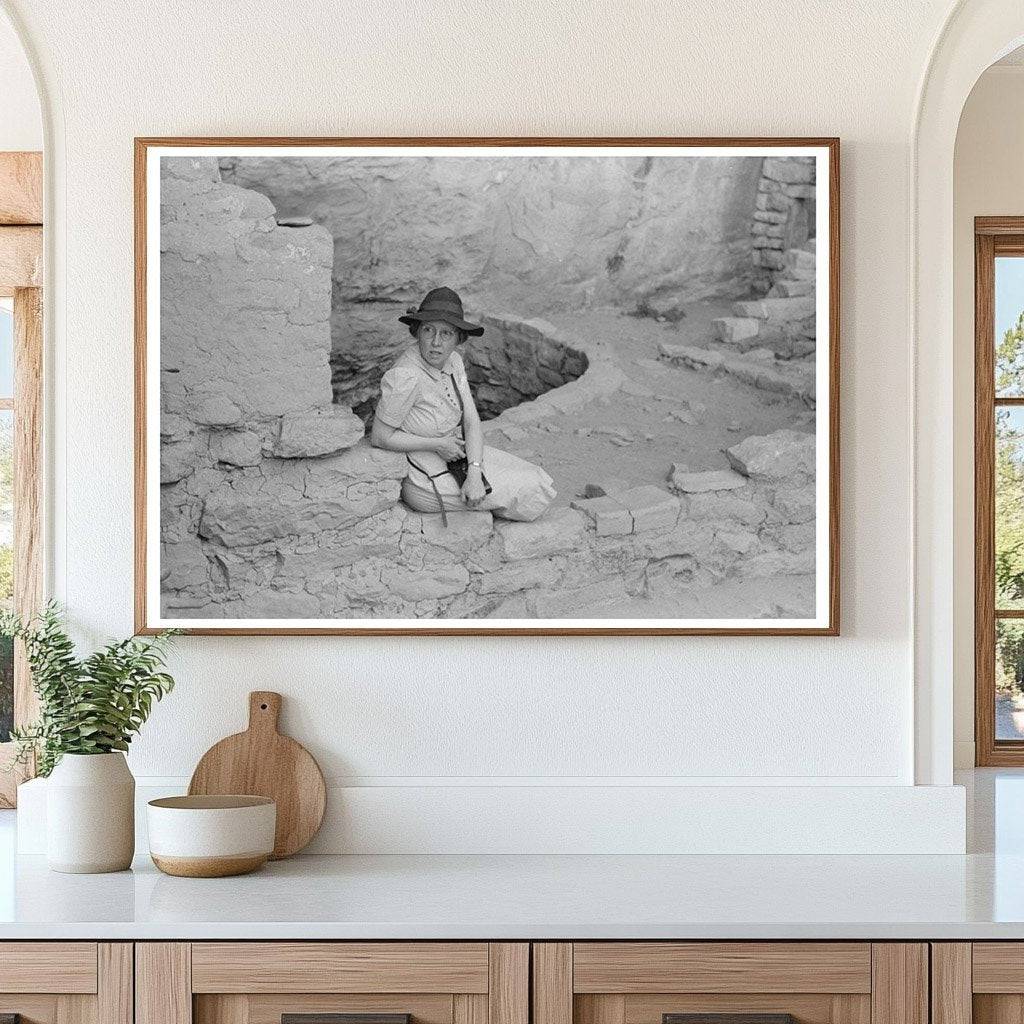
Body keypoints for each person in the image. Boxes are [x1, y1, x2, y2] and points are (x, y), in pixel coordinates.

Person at [370, 287, 556, 524]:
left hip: (456, 456)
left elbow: (470, 420)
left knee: (536, 477)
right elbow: (380, 437)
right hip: (424, 477)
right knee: (529, 489)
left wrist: (475, 472)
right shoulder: (405, 376)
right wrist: (437, 444)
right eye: (428, 330)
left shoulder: (453, 361)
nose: (436, 343)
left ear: (458, 338)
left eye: (446, 333)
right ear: (417, 332)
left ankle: (484, 497)